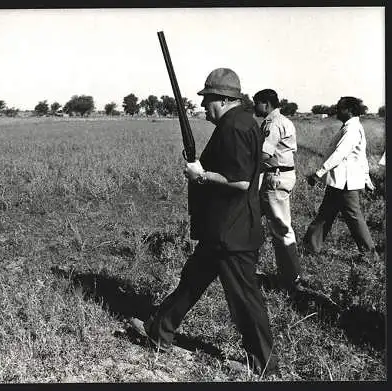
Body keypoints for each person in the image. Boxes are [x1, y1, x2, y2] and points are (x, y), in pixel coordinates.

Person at [129, 68, 279, 376]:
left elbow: (238, 181)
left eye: (208, 99)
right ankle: (159, 332)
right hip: (223, 229)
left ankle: (264, 365)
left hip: (231, 232)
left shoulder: (234, 127)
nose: (203, 106)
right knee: (192, 280)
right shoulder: (242, 122)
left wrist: (202, 175)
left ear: (224, 99)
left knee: (245, 300)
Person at [304, 96, 377, 258]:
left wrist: (319, 173)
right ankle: (310, 247)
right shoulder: (351, 127)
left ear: (350, 111)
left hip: (345, 183)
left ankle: (371, 256)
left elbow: (340, 154)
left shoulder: (351, 129)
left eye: (340, 108)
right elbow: (361, 157)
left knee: (353, 217)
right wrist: (366, 178)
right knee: (325, 214)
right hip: (340, 181)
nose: (337, 111)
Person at [253, 89, 303, 293]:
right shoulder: (281, 120)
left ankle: (292, 279)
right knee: (250, 218)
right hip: (275, 176)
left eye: (256, 103)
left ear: (266, 104)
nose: (254, 107)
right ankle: (244, 264)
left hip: (275, 177)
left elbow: (264, 154)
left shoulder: (274, 123)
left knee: (281, 229)